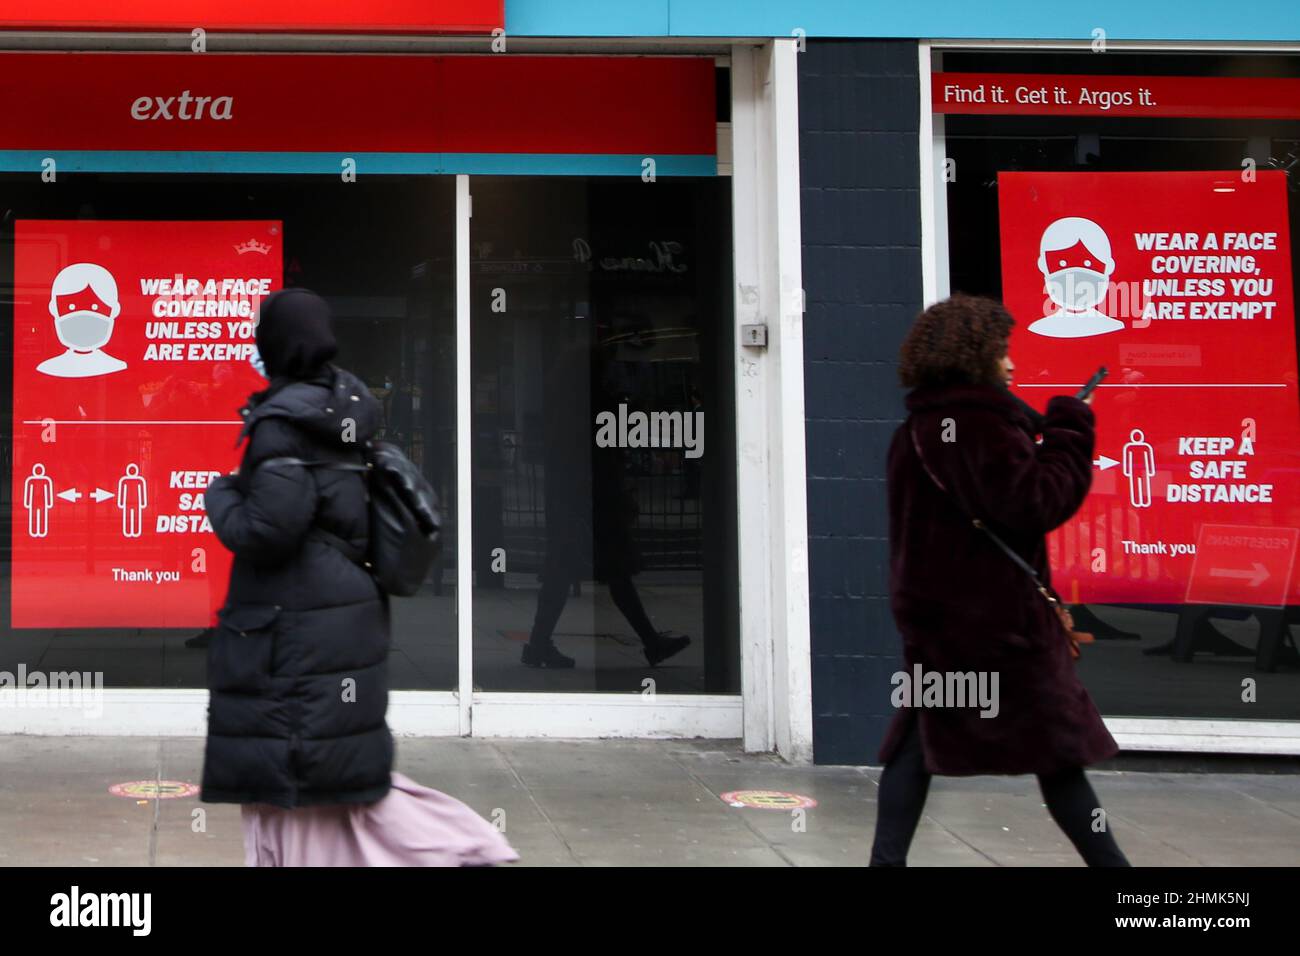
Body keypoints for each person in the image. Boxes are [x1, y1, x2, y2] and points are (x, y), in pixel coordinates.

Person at [200, 288, 517, 867]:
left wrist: (220, 494)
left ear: (274, 343)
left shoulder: (283, 421)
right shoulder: (344, 407)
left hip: (296, 628)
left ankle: (460, 844)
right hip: (341, 615)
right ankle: (457, 842)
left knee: (302, 776)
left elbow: (269, 528)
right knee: (330, 780)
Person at [870, 294, 1129, 867]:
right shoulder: (978, 426)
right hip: (1003, 632)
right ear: (977, 355)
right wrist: (1071, 433)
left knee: (915, 751)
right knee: (1060, 758)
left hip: (938, 629)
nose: (1012, 365)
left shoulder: (916, 429)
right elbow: (1036, 501)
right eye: (1004, 353)